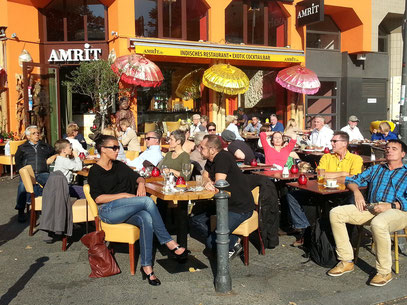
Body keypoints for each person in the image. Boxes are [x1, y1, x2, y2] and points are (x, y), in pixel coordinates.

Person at [88, 135, 187, 286]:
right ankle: (168, 241)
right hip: (108, 211)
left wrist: (141, 183)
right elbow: (98, 198)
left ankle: (146, 266)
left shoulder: (119, 165)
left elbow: (138, 177)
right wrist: (123, 195)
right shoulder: (95, 171)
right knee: (147, 201)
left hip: (125, 208)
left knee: (146, 218)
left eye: (118, 147)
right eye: (113, 147)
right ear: (103, 150)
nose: (117, 150)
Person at [328, 139, 407, 287]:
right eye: (387, 148)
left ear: (403, 154)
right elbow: (352, 179)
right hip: (372, 207)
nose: (389, 150)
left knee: (379, 223)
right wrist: (357, 191)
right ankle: (346, 260)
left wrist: (390, 206)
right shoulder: (377, 169)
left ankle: (384, 271)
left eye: (394, 148)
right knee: (336, 213)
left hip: (399, 210)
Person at [286, 131, 363, 246]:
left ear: (344, 143)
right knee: (292, 196)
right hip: (323, 190)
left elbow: (354, 177)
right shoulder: (327, 157)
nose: (331, 143)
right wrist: (343, 173)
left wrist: (331, 175)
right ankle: (305, 230)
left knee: (352, 201)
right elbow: (320, 174)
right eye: (331, 141)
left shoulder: (355, 159)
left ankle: (348, 237)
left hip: (343, 193)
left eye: (334, 141)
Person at [190, 135, 255, 259]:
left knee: (211, 242)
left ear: (212, 150)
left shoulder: (223, 158)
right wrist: (206, 182)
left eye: (202, 147)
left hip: (239, 208)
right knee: (194, 222)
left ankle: (230, 242)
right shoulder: (211, 159)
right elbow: (204, 176)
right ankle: (228, 241)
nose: (199, 149)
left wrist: (210, 183)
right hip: (223, 205)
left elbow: (220, 185)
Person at [15, 125, 56, 222]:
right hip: (29, 174)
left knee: (55, 182)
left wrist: (54, 156)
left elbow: (55, 152)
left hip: (43, 173)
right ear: (28, 136)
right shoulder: (22, 147)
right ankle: (21, 210)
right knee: (22, 186)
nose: (37, 134)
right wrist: (22, 172)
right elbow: (18, 162)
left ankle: (54, 209)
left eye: (38, 133)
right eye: (34, 133)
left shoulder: (45, 146)